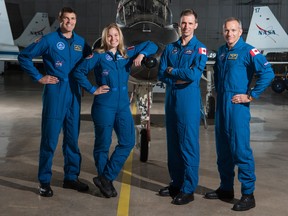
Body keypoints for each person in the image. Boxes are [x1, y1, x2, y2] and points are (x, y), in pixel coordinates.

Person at [73, 23, 158, 198]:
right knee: (103, 145)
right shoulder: (98, 56)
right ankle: (107, 183)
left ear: (120, 37)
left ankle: (106, 177)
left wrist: (142, 54)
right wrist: (92, 89)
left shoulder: (127, 53)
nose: (113, 39)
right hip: (104, 105)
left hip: (122, 106)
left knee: (127, 142)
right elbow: (78, 72)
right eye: (109, 36)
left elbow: (153, 45)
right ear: (105, 38)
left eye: (116, 35)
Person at [18, 7, 92, 197]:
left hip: (74, 94)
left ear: (76, 21)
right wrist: (39, 77)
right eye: (66, 18)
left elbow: (92, 61)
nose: (70, 22)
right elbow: (24, 56)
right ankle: (44, 181)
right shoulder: (49, 40)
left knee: (72, 140)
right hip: (55, 92)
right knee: (50, 139)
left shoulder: (81, 43)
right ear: (60, 20)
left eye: (73, 18)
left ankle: (71, 177)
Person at [204, 17, 275, 211]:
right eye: (227, 30)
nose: (230, 34)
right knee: (223, 151)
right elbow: (218, 75)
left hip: (237, 108)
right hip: (222, 106)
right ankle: (226, 189)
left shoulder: (248, 51)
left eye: (234, 30)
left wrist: (250, 96)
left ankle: (248, 195)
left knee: (240, 150)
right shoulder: (221, 51)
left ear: (240, 31)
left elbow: (268, 73)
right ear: (223, 31)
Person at [157, 9, 208, 205]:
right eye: (183, 23)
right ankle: (176, 183)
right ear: (179, 25)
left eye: (190, 23)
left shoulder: (199, 48)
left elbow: (194, 75)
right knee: (173, 144)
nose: (186, 27)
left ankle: (188, 189)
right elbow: (161, 73)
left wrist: (173, 71)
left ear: (196, 25)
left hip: (188, 99)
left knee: (188, 144)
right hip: (172, 96)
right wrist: (177, 73)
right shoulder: (171, 48)